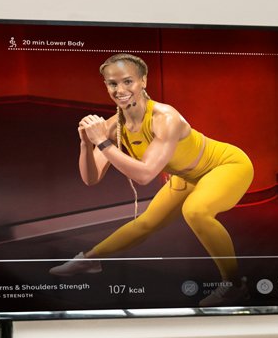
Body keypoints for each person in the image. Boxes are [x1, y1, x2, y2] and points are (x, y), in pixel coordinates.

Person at [55, 53, 256, 300]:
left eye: (128, 81)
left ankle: (235, 285)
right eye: (112, 83)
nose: (120, 90)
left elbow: (145, 175)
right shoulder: (113, 125)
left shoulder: (165, 118)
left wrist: (103, 143)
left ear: (143, 81)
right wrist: (86, 144)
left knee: (195, 211)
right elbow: (91, 178)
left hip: (226, 165)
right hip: (187, 176)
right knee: (146, 222)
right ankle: (90, 261)